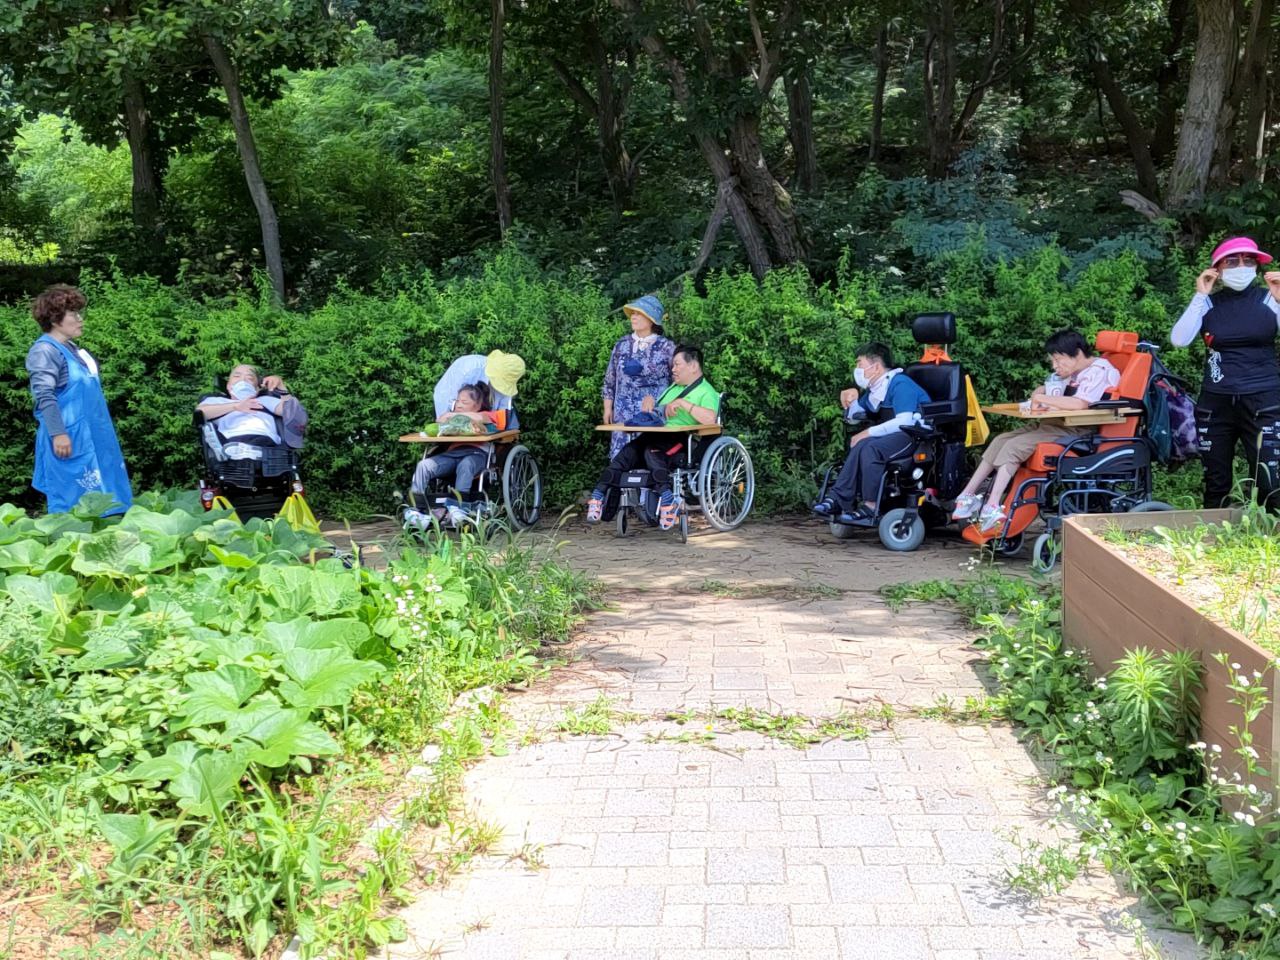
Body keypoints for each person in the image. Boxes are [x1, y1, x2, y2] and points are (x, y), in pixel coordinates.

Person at [951, 330, 1120, 533]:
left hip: (1078, 429)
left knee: (1015, 446)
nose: (1055, 366)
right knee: (1001, 440)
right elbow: (1048, 391)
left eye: (1058, 360)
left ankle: (993, 504)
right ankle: (967, 496)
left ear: (1076, 353)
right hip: (1057, 424)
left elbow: (1080, 403)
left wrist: (1042, 399)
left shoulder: (1099, 370)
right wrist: (1040, 393)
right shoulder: (1072, 372)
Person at [1170, 236, 1280, 510]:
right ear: (1217, 268)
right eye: (1232, 261)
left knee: (1270, 478)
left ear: (1257, 265)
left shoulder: (1269, 297)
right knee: (1216, 480)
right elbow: (1179, 339)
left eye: (1248, 260)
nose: (1241, 266)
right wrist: (1200, 294)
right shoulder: (1208, 304)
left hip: (1264, 400)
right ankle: (1213, 543)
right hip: (1216, 403)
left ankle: (1271, 541)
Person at [25, 284, 133, 516]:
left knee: (108, 499)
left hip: (94, 437)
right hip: (68, 439)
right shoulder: (44, 351)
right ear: (55, 320)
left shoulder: (71, 348)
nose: (80, 319)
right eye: (74, 314)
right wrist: (58, 434)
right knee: (75, 507)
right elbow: (45, 395)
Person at [586, 345, 720, 530]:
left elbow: (710, 419)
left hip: (680, 443)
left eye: (677, 364)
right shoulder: (673, 388)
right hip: (655, 437)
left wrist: (683, 403)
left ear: (693, 366)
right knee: (628, 452)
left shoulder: (706, 392)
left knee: (651, 451)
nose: (673, 369)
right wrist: (650, 403)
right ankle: (598, 494)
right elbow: (658, 412)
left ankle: (667, 499)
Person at [811, 343, 931, 526]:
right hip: (894, 436)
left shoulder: (900, 384)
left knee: (870, 447)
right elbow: (856, 417)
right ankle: (837, 499)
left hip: (913, 435)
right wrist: (851, 398)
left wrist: (867, 432)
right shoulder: (876, 388)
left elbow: (904, 421)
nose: (857, 369)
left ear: (875, 367)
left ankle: (870, 506)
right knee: (862, 445)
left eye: (860, 364)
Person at [408, 383, 501, 523]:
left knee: (466, 464)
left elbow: (479, 419)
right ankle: (416, 510)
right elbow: (440, 419)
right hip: (452, 454)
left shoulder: (486, 415)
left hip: (477, 454)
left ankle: (458, 508)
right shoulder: (451, 418)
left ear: (477, 405)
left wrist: (456, 416)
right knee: (424, 465)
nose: (459, 405)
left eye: (464, 402)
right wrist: (453, 416)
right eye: (457, 401)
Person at [601, 295, 675, 458]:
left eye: (639, 313)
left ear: (651, 319)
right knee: (621, 460)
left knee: (649, 457)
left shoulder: (667, 347)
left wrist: (658, 400)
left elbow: (677, 384)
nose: (633, 316)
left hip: (651, 414)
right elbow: (610, 379)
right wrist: (607, 407)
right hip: (622, 413)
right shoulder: (621, 345)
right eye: (632, 312)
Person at [196, 364, 299, 457]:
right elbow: (200, 413)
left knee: (263, 441)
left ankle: (237, 451)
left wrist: (281, 387)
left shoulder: (266, 400)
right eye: (237, 376)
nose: (243, 380)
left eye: (249, 377)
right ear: (228, 385)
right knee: (219, 435)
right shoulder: (217, 401)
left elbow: (295, 413)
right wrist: (236, 406)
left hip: (264, 439)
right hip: (229, 438)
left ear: (258, 388)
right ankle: (225, 448)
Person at [433, 350, 526, 426]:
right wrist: (447, 422)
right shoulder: (468, 369)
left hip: (484, 424)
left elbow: (503, 415)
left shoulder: (507, 382)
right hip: (449, 413)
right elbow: (444, 398)